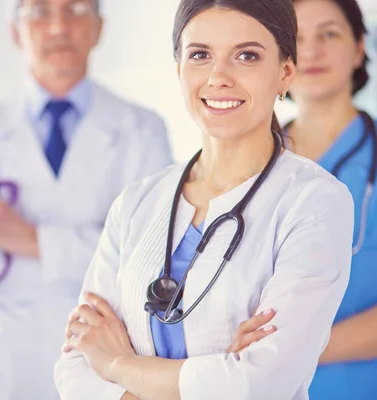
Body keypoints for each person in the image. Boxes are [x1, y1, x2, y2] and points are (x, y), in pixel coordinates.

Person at [54, 0, 354, 399]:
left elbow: (259, 383)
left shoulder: (315, 202)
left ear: (285, 73)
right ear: (179, 70)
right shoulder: (137, 202)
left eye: (246, 56)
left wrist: (116, 364)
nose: (218, 76)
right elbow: (76, 361)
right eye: (200, 55)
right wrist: (213, 378)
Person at [0, 0, 173, 399]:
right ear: (15, 32)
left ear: (99, 29)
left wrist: (31, 241)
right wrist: (96, 247)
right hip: (2, 365)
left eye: (76, 10)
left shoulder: (143, 130)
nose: (58, 27)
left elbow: (147, 262)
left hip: (103, 366)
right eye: (39, 13)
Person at [239, 1, 377, 398]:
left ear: (358, 48)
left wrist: (292, 351)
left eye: (329, 34)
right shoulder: (246, 159)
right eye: (297, 38)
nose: (312, 50)